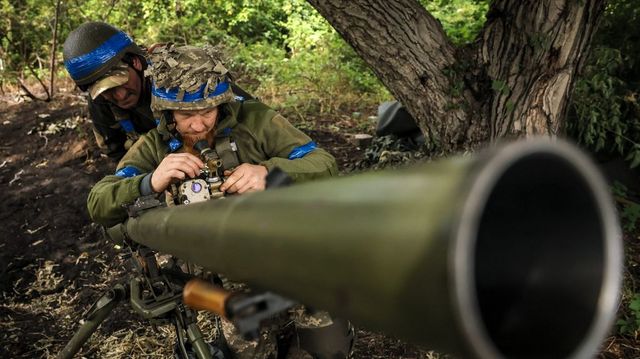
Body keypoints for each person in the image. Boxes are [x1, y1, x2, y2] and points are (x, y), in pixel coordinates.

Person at [86, 44, 353, 358]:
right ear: (166, 110)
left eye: (208, 112)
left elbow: (323, 164)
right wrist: (149, 182)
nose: (199, 125)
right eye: (186, 115)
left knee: (327, 352)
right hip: (233, 281)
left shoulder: (256, 121)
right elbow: (99, 202)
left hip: (295, 260)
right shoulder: (154, 146)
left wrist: (270, 172)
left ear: (222, 104)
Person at [62, 21, 158, 160]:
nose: (120, 96)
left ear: (136, 62)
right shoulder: (99, 100)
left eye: (122, 82)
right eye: (107, 90)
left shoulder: (169, 78)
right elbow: (116, 151)